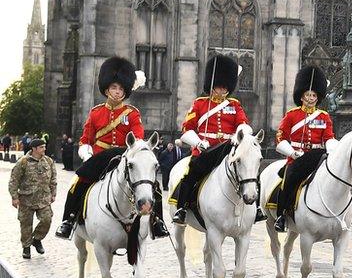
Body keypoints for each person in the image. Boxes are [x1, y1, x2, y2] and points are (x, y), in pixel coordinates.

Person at [55, 56, 169, 239]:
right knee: (78, 182)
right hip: (100, 157)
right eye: (114, 88)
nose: (117, 92)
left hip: (124, 157)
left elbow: (138, 138)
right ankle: (68, 220)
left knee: (152, 184)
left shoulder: (132, 113)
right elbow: (85, 140)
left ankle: (157, 222)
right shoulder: (96, 112)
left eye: (121, 88)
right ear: (107, 89)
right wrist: (86, 153)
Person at [172, 54, 266, 224]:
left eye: (225, 88)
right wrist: (198, 142)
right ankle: (182, 208)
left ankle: (256, 208)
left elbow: (243, 123)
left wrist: (243, 132)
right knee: (191, 172)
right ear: (211, 86)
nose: (222, 91)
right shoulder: (200, 104)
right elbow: (187, 130)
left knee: (250, 169)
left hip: (228, 148)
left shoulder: (234, 105)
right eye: (218, 87)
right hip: (206, 149)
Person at [273, 65, 335, 232]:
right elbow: (280, 138)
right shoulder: (292, 115)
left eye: (314, 95)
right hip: (296, 157)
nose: (311, 98)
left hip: (317, 157)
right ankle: (281, 215)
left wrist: (332, 150)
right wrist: (292, 152)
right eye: (308, 95)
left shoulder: (324, 116)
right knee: (289, 179)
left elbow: (328, 137)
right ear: (301, 96)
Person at [8, 139, 57, 259]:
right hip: (26, 199)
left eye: (44, 147)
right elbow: (14, 180)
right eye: (41, 147)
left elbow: (53, 179)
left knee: (47, 219)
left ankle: (37, 239)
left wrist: (53, 193)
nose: (44, 149)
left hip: (43, 198)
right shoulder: (23, 162)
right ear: (34, 149)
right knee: (26, 225)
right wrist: (14, 197)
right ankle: (26, 248)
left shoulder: (49, 161)